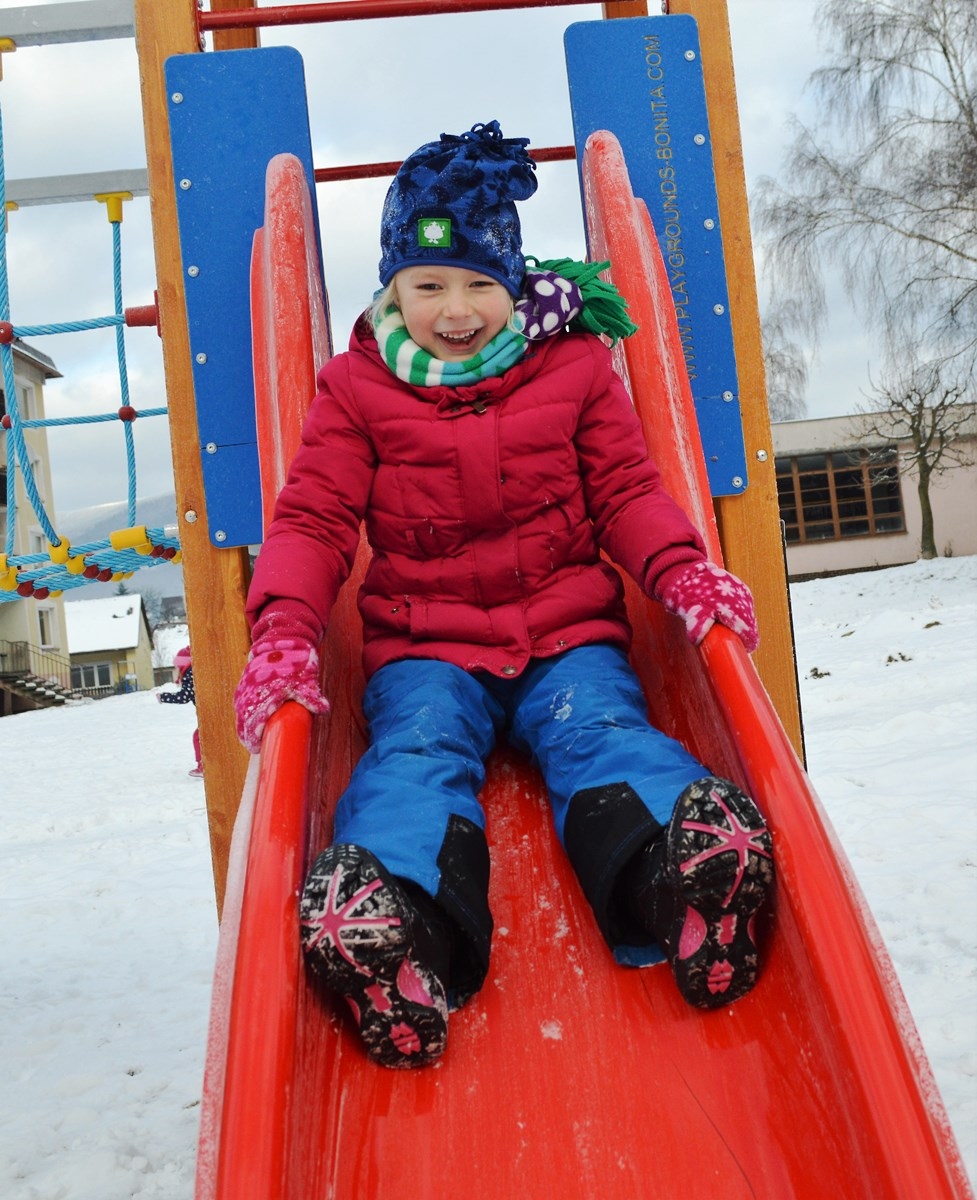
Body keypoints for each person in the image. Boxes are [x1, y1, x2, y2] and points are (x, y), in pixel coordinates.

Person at [233, 121, 774, 1070]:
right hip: (425, 649)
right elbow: (314, 520)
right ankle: (398, 934)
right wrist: (282, 629)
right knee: (413, 755)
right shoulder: (355, 390)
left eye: (482, 282)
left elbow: (627, 491)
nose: (456, 309)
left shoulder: (571, 369)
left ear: (515, 283)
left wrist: (682, 570)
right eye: (429, 284)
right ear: (391, 287)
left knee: (600, 732)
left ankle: (684, 883)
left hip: (567, 638)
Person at [158, 644, 202, 778]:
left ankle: (203, 766)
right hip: (210, 714)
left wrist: (163, 697)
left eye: (176, 666)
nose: (175, 670)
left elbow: (183, 697)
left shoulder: (190, 675)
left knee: (198, 737)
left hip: (209, 715)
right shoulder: (193, 673)